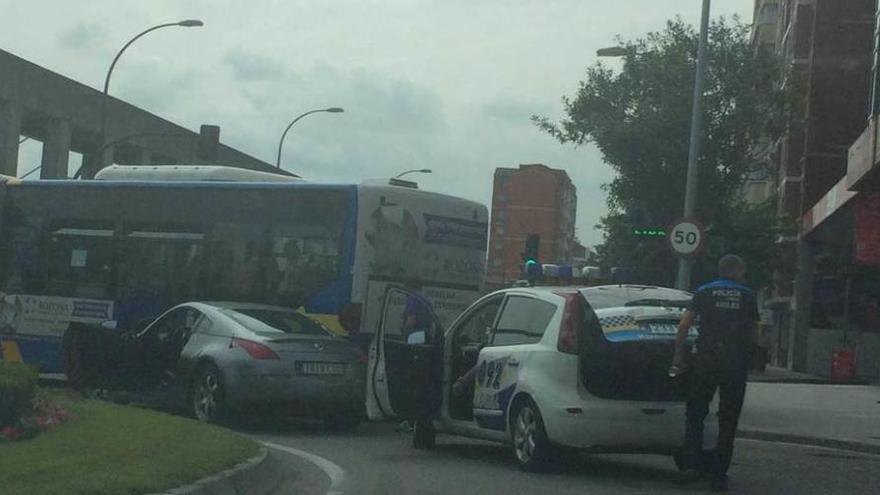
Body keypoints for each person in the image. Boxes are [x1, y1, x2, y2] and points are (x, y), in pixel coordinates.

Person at [671, 254, 759, 492]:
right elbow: (754, 333)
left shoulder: (703, 292)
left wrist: (679, 358)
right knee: (728, 419)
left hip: (706, 362)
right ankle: (719, 473)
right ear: (738, 271)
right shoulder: (748, 296)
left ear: (721, 271)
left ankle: (692, 465)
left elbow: (684, 325)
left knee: (696, 412)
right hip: (735, 365)